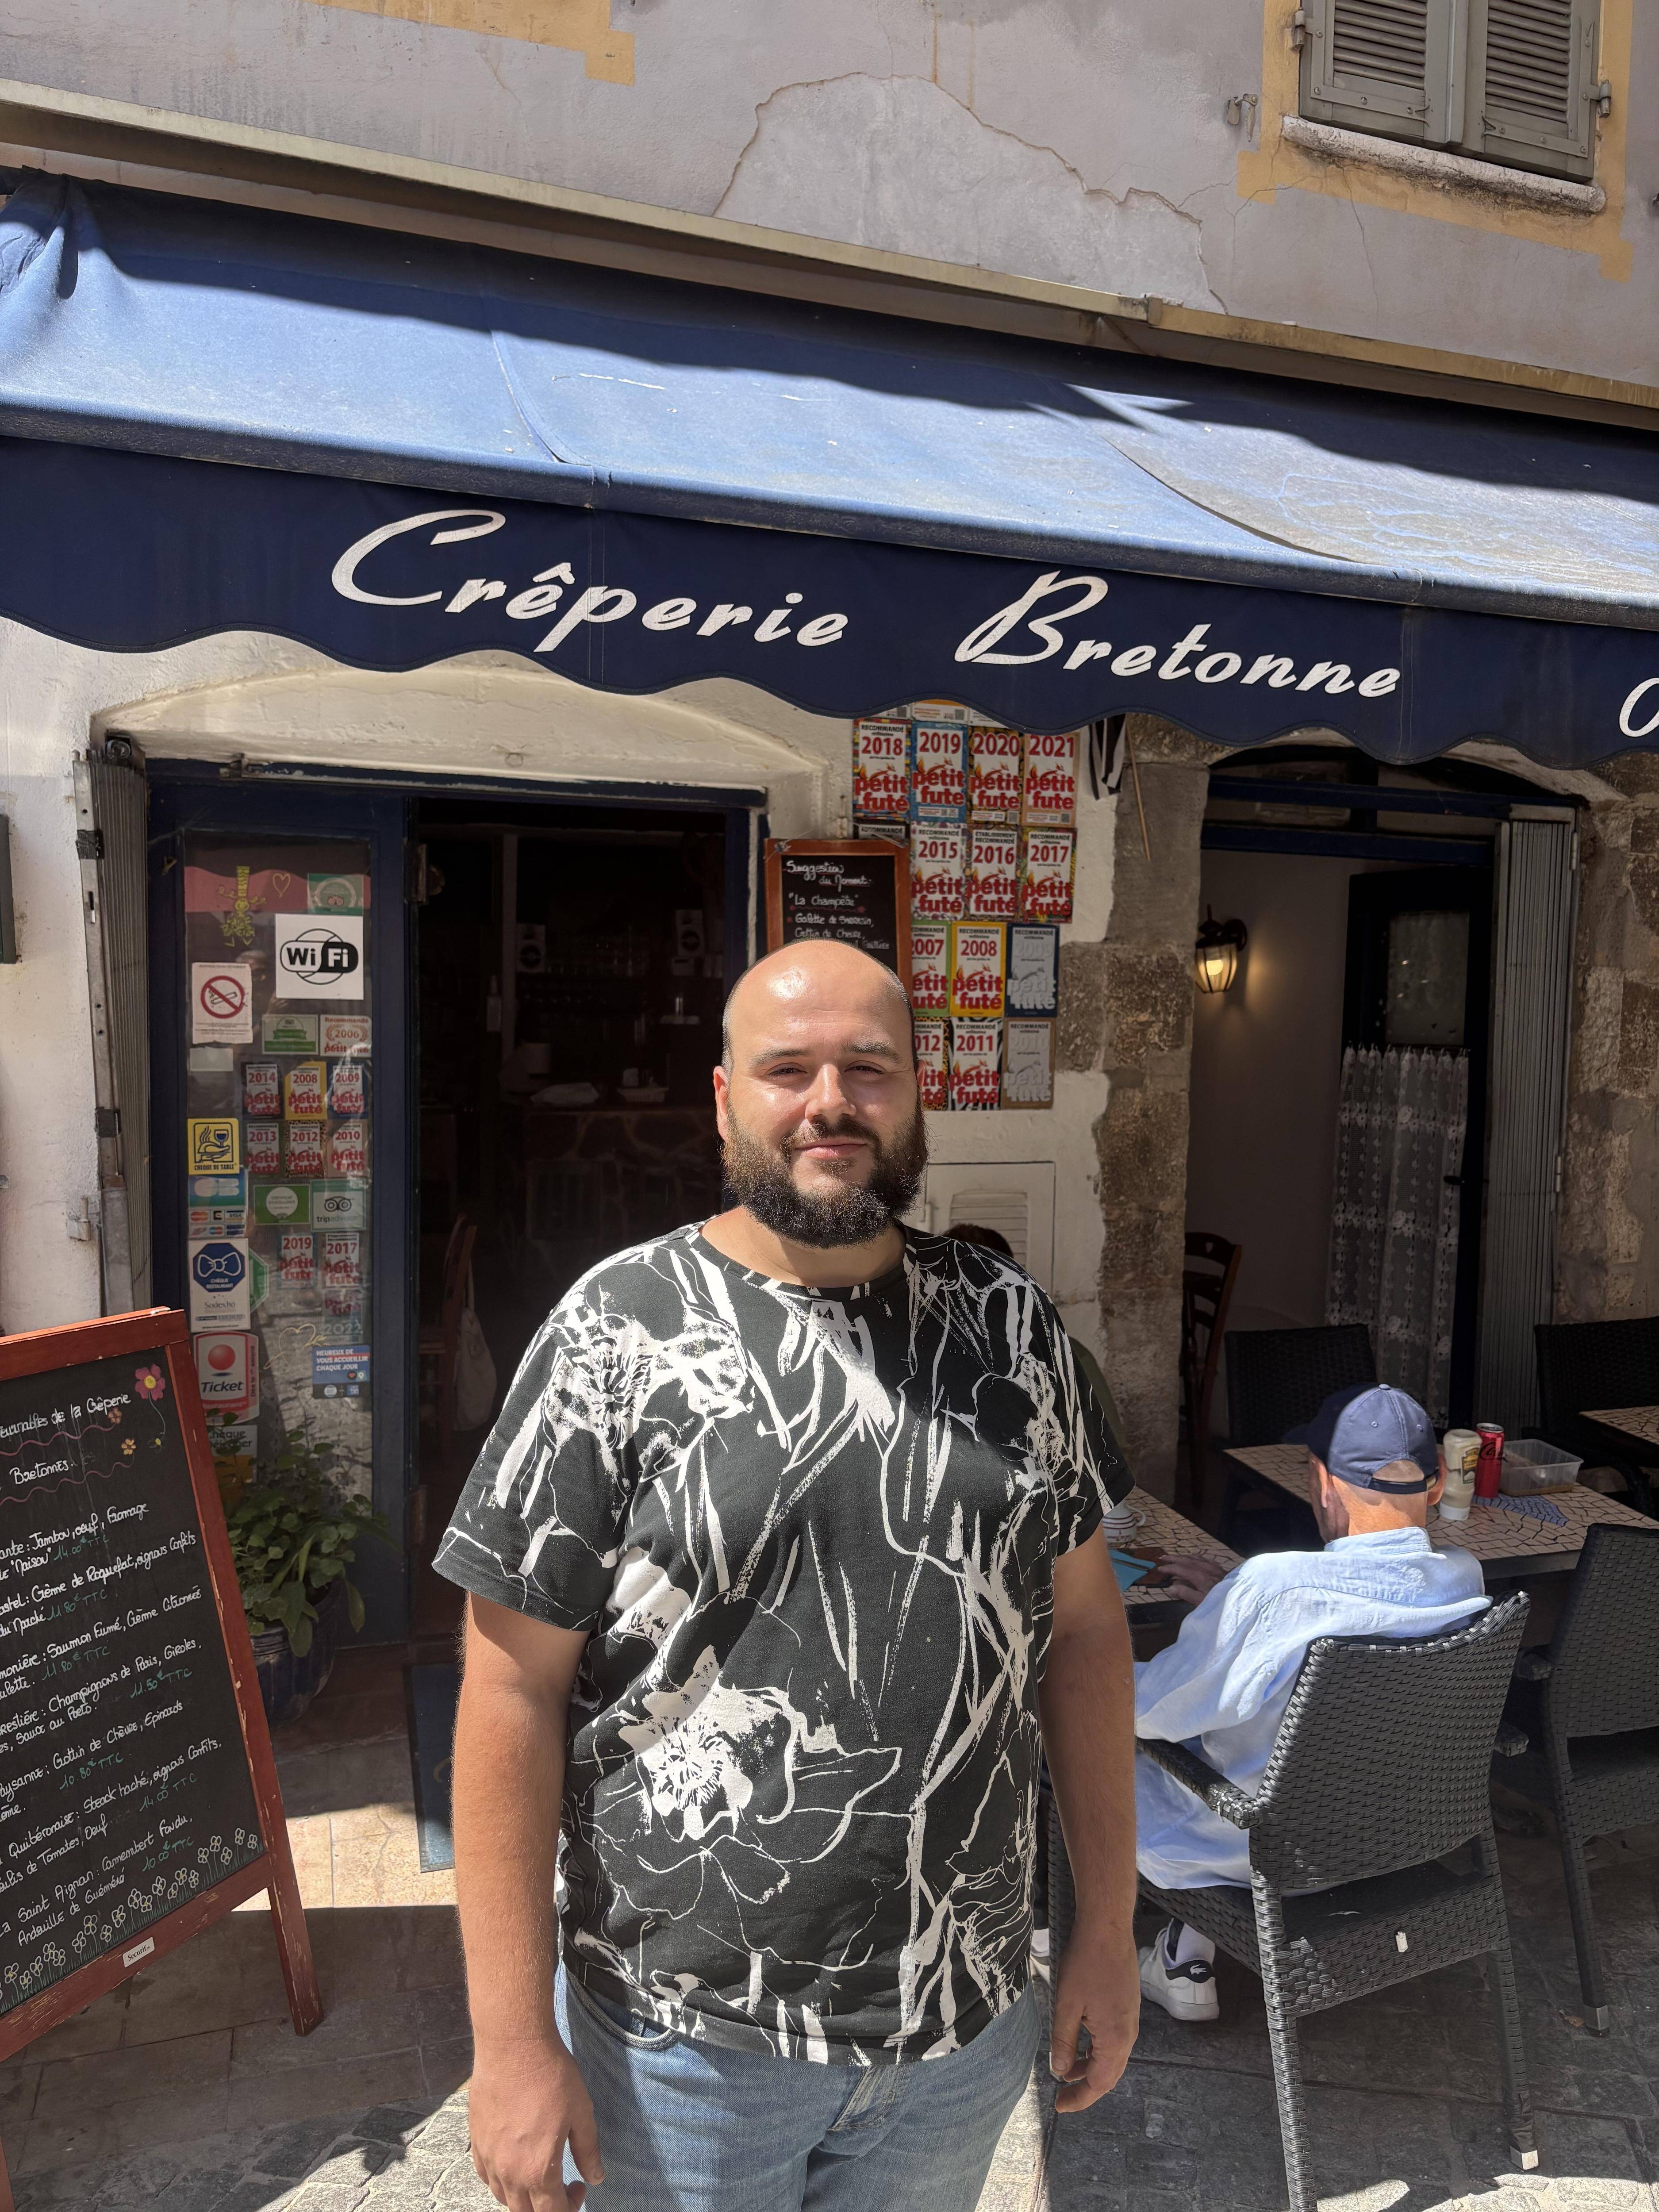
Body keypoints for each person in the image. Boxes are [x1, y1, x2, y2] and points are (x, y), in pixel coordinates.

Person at [437, 937, 1142, 2212]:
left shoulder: (1009, 1325)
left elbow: (1084, 1635)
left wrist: (1101, 1928)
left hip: (962, 2026)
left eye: (869, 1068)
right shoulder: (615, 1331)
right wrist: (509, 2044)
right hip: (688, 2047)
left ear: (919, 1092)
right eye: (788, 1069)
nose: (831, 1101)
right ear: (723, 1100)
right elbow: (506, 1693)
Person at [1131, 1384, 1487, 2024]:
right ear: (1435, 1489)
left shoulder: (1274, 1589)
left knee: (1083, 1723)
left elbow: (1148, 1712)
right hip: (1398, 1833)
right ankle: (1184, 1955)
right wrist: (1230, 1607)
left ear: (1321, 1482)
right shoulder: (1463, 1577)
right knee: (1251, 1727)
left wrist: (1232, 1611)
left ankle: (1061, 1932)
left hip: (1261, 1854)